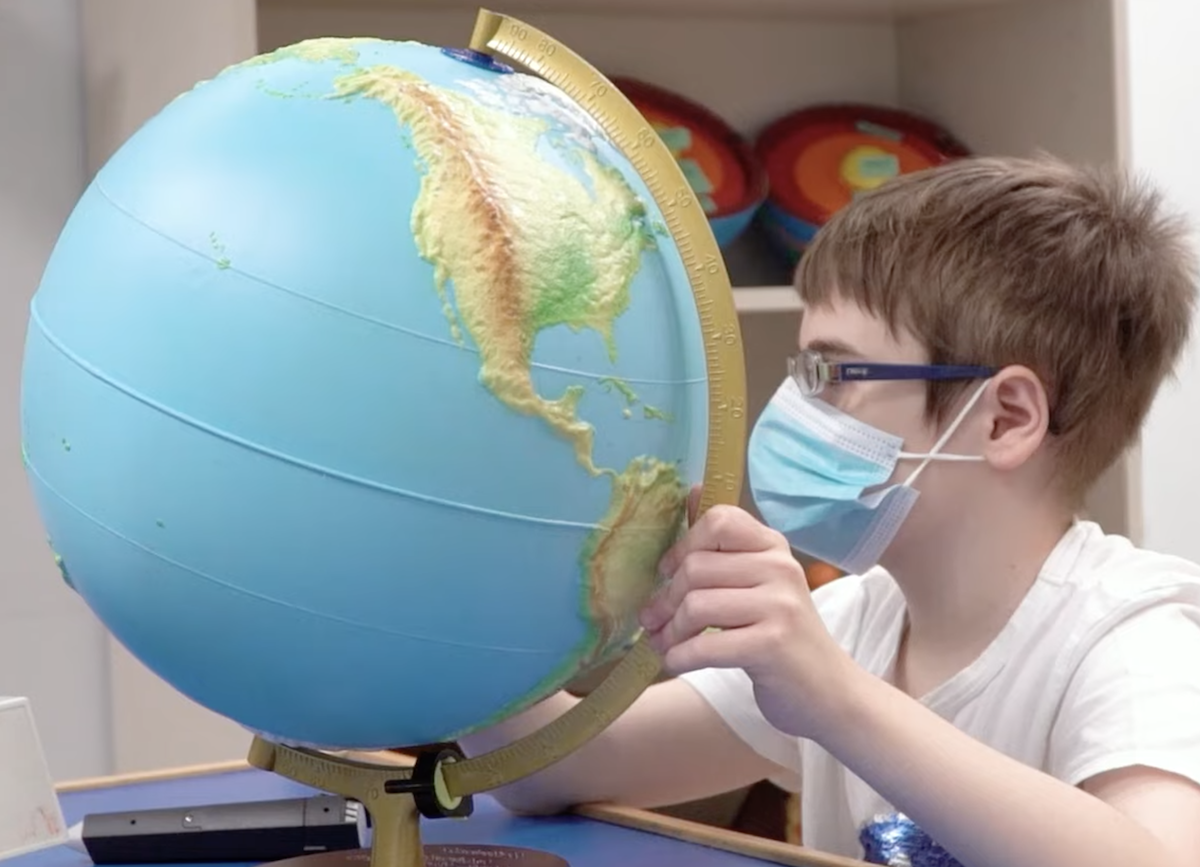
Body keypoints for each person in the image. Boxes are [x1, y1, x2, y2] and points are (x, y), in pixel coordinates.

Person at [459, 154, 1200, 867]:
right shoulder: (853, 621)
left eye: (830, 373)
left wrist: (834, 698)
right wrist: (451, 593)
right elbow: (550, 768)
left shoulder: (1131, 637)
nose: (793, 408)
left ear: (1004, 418)